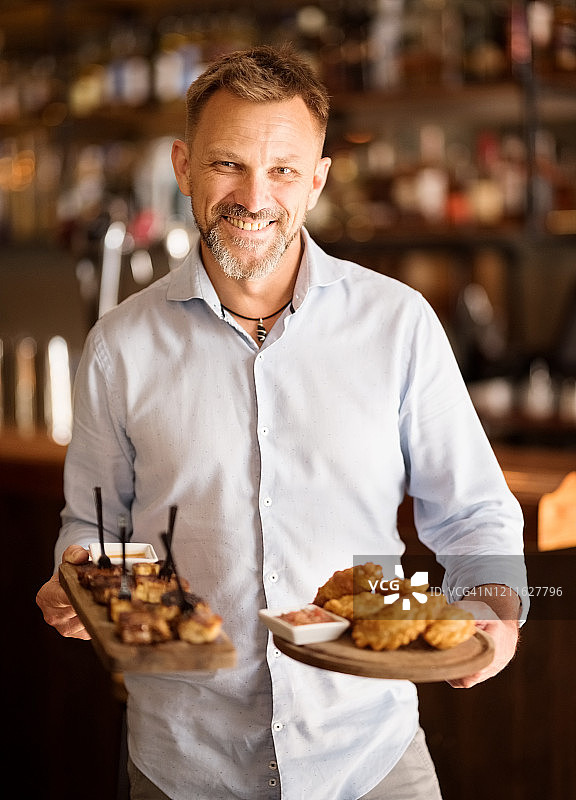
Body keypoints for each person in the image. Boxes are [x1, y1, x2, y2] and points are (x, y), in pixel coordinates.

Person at [37, 44, 526, 800]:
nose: (254, 195)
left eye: (284, 170)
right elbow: (94, 526)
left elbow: (476, 515)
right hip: (183, 763)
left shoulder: (398, 324)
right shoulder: (118, 347)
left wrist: (494, 615)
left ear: (319, 178)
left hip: (370, 757)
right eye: (227, 164)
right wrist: (79, 578)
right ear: (184, 167)